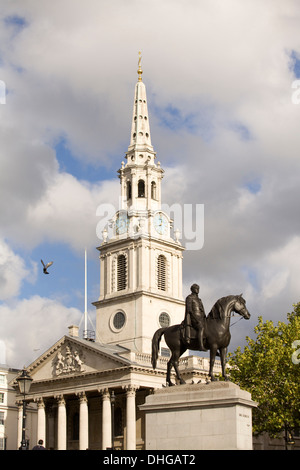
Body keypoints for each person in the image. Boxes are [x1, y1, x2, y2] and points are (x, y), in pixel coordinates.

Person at [184, 283, 206, 350]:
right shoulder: (189, 298)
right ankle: (201, 346)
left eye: (198, 288)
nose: (197, 290)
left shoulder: (199, 300)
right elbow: (189, 310)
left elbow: (202, 310)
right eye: (196, 288)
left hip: (201, 318)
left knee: (211, 328)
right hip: (193, 318)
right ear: (192, 290)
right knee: (201, 328)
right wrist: (196, 319)